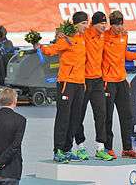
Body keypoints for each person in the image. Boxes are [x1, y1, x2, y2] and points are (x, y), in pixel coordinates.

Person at [39, 11, 88, 163]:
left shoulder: (82, 38)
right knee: (63, 118)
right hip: (66, 83)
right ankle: (58, 150)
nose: (86, 26)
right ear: (75, 25)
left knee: (75, 119)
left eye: (87, 23)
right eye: (83, 24)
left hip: (80, 84)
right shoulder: (66, 40)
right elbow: (50, 50)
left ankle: (67, 149)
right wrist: (39, 46)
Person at [103, 10, 136, 159]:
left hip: (122, 80)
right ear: (111, 25)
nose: (119, 28)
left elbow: (124, 53)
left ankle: (127, 149)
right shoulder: (104, 36)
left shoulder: (124, 35)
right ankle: (107, 148)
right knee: (107, 116)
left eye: (121, 25)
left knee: (126, 115)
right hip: (108, 81)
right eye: (116, 25)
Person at [73, 11, 113, 161]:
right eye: (101, 23)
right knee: (79, 115)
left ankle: (100, 148)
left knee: (101, 113)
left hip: (98, 81)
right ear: (93, 24)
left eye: (105, 23)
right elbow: (69, 31)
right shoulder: (84, 33)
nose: (104, 26)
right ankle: (80, 147)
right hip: (83, 81)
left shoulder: (103, 36)